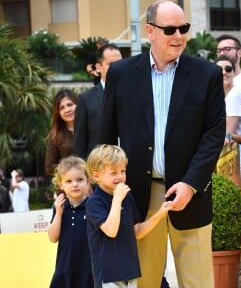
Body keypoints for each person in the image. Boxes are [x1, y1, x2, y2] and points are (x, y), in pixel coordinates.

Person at [99, 0, 226, 288]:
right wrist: (107, 193)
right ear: (150, 31)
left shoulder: (207, 74)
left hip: (190, 194)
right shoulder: (120, 74)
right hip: (139, 195)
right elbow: (106, 137)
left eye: (183, 28)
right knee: (144, 282)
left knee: (199, 283)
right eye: (170, 29)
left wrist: (191, 183)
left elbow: (214, 134)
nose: (178, 36)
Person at [86, 144, 171, 288]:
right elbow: (111, 231)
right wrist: (117, 199)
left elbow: (137, 232)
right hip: (108, 275)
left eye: (123, 171)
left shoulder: (128, 197)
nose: (120, 176)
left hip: (129, 272)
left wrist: (160, 214)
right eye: (113, 173)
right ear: (96, 176)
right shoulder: (94, 202)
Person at [48, 156, 93, 288]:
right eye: (69, 181)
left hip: (90, 270)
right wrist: (59, 212)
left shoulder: (94, 205)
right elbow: (52, 237)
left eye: (79, 180)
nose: (75, 184)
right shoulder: (60, 206)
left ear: (88, 181)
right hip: (65, 268)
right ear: (61, 184)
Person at [74, 43, 122, 159]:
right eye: (111, 64)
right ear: (98, 67)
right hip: (98, 169)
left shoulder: (134, 94)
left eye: (120, 63)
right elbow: (80, 143)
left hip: (131, 169)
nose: (118, 67)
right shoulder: (86, 99)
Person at [215, 55, 241, 144]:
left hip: (240, 149)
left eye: (228, 69)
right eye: (219, 69)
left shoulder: (235, 94)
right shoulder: (218, 96)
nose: (224, 72)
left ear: (234, 72)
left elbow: (228, 134)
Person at [45, 89, 78, 176]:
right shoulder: (55, 135)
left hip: (92, 184)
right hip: (68, 185)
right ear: (58, 113)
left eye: (70, 105)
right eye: (61, 108)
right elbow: (49, 167)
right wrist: (72, 168)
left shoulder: (91, 128)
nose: (67, 110)